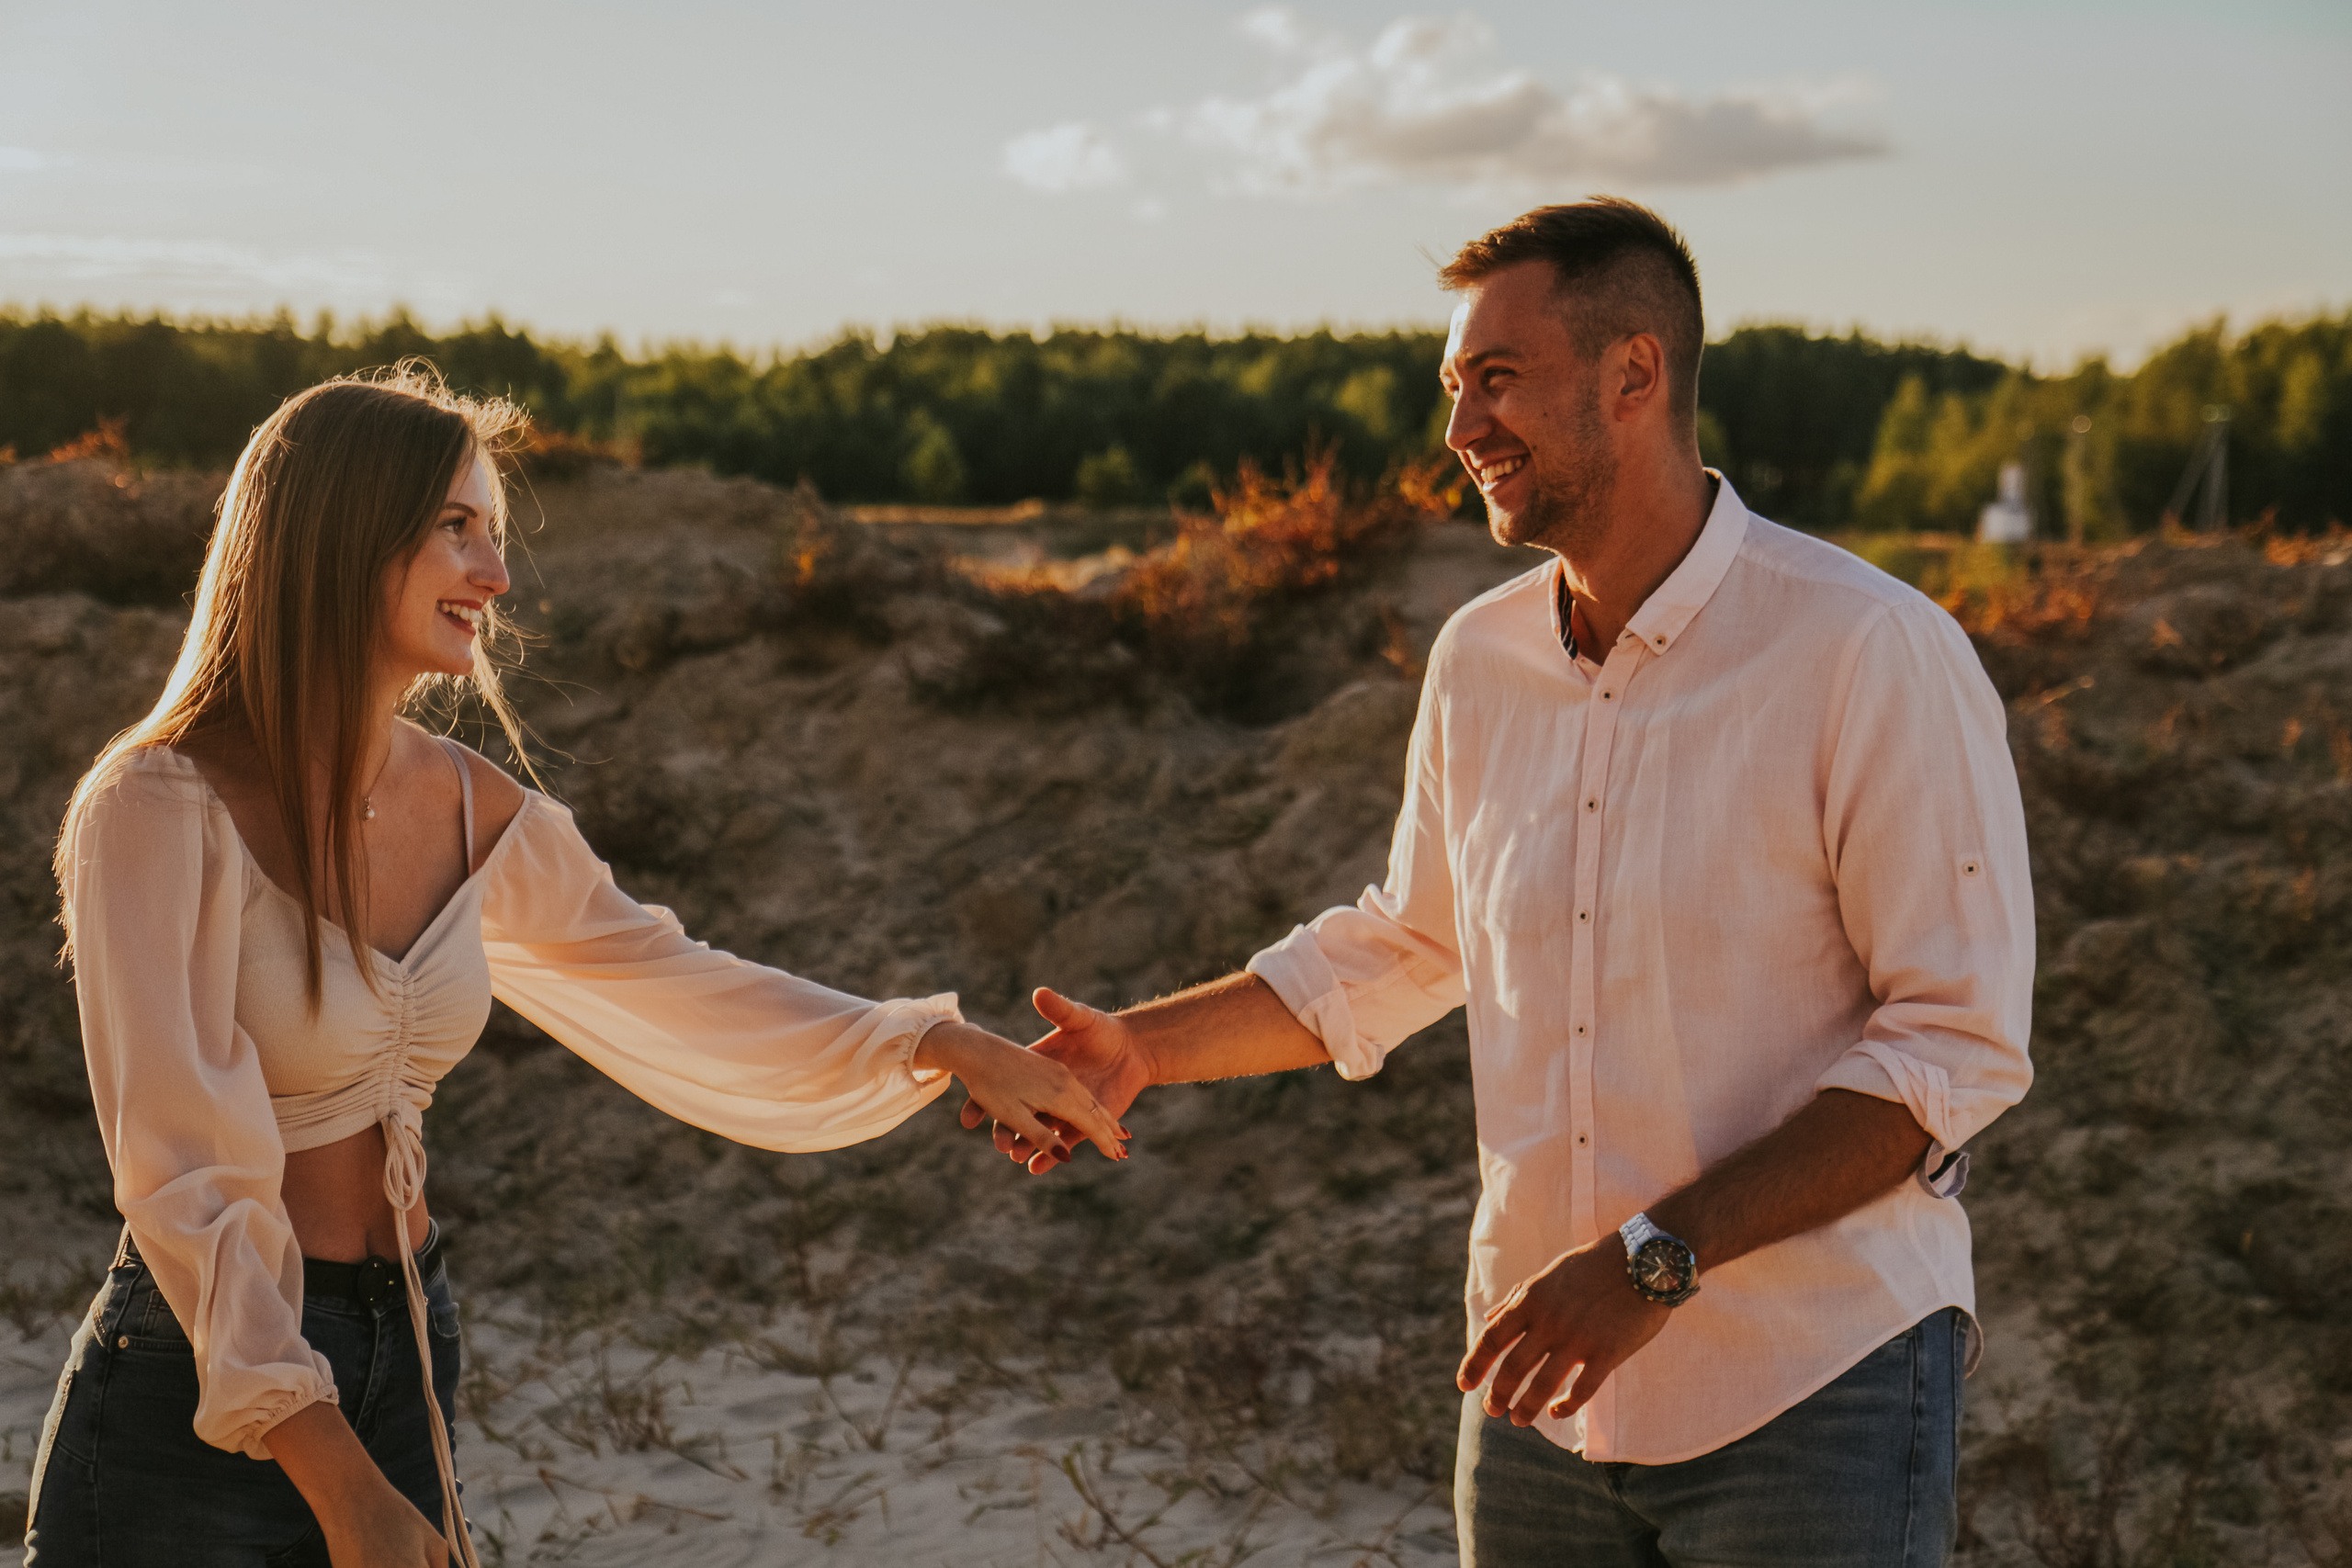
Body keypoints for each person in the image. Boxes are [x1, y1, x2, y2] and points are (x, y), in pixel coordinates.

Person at [976, 198, 2034, 1566]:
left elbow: (1952, 1046)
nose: (1460, 426)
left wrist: (1653, 1260)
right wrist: (1142, 1050)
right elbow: (1413, 943)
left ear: (1634, 372)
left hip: (1815, 1390)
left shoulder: (1870, 648)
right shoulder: (1478, 662)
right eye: (1452, 386)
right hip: (1541, 1400)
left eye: (1497, 377)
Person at [28, 366, 1125, 1568]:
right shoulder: (156, 805)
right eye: (457, 528)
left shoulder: (473, 808)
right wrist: (337, 1477)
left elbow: (677, 983)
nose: (496, 575)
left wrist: (935, 1042)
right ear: (344, 533)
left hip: (407, 1339)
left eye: (494, 533)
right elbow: (182, 1170)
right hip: (201, 1386)